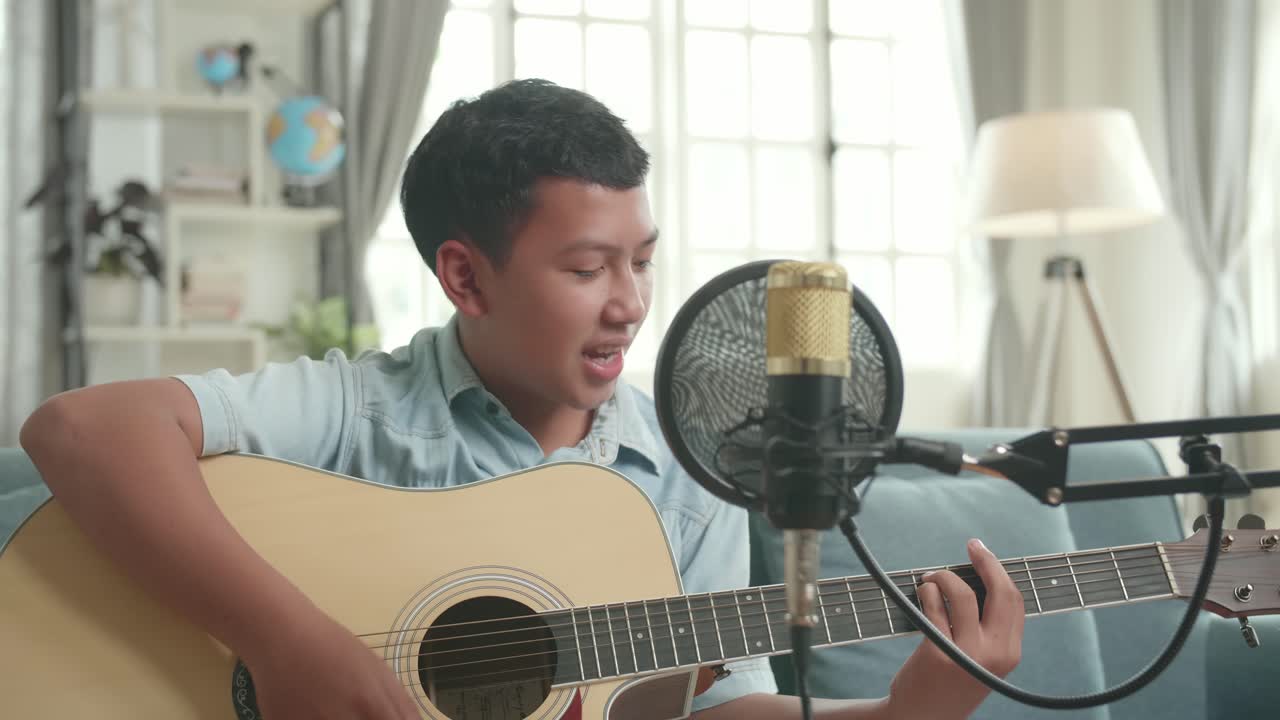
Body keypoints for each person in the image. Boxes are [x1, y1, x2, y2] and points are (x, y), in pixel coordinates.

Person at [20, 78, 1024, 719]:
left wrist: (906, 713)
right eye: (586, 268)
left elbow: (720, 707)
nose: (629, 304)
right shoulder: (361, 408)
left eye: (640, 261)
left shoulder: (688, 471)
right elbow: (82, 428)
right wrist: (285, 639)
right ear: (465, 277)